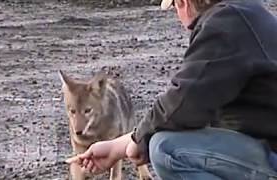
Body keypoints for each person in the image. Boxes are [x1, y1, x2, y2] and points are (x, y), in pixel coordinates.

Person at [65, 0, 277, 179]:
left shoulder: (223, 25)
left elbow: (182, 103)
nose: (180, 19)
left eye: (174, 6)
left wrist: (137, 142)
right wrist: (120, 146)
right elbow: (193, 111)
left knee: (166, 148)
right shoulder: (246, 12)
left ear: (183, 2)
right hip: (266, 145)